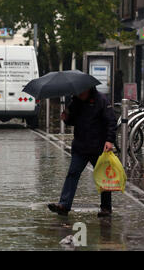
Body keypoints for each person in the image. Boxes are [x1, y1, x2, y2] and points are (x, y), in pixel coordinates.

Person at [48, 87, 117, 217]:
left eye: (82, 92)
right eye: (78, 93)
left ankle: (106, 208)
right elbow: (72, 120)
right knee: (72, 174)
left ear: (89, 90)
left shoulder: (101, 100)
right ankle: (64, 205)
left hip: (99, 147)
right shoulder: (75, 101)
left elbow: (111, 121)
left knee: (103, 177)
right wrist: (66, 117)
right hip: (80, 146)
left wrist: (109, 140)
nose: (80, 95)